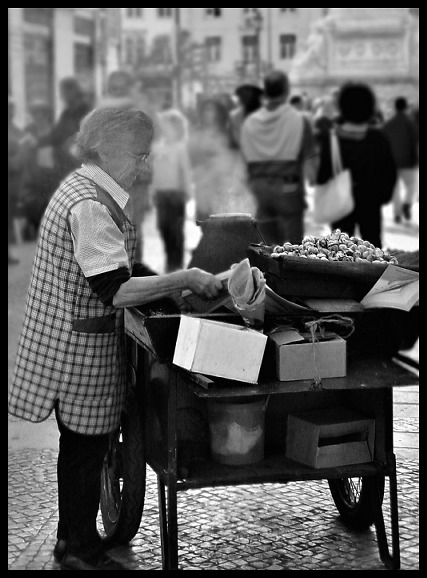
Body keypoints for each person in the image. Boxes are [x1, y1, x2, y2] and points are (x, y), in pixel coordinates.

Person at [8, 107, 223, 571]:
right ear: (105, 150)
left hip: (67, 340)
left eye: (147, 155)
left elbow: (117, 270)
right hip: (78, 351)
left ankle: (71, 541)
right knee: (86, 451)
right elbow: (115, 289)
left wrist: (170, 283)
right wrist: (182, 277)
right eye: (137, 155)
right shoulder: (90, 205)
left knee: (80, 449)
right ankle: (79, 551)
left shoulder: (82, 186)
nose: (144, 166)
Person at [240, 70, 318, 245]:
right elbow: (310, 158)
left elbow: (245, 159)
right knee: (292, 248)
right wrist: (313, 179)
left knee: (267, 244)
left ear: (265, 91)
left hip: (259, 187)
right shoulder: (298, 119)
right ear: (286, 90)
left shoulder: (250, 122)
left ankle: (266, 271)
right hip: (288, 188)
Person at [316, 82, 397, 248]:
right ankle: (374, 274)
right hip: (370, 200)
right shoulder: (377, 138)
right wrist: (383, 196)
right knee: (373, 246)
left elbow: (324, 174)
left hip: (340, 201)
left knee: (340, 248)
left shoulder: (332, 138)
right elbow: (389, 172)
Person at [98, 70, 155, 261]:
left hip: (136, 180)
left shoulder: (141, 110)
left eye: (121, 87)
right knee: (111, 226)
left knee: (132, 228)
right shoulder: (104, 111)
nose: (117, 91)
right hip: (111, 178)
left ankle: (134, 274)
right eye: (114, 88)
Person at [151, 108, 193, 272]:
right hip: (161, 194)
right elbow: (155, 172)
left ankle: (176, 263)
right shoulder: (158, 147)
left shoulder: (180, 148)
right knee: (163, 226)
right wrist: (153, 192)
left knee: (176, 229)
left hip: (176, 194)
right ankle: (170, 258)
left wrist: (187, 191)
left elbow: (186, 171)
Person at [36, 77, 92, 185]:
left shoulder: (86, 111)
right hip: (62, 163)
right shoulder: (66, 113)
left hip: (77, 163)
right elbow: (56, 134)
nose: (62, 96)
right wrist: (41, 140)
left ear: (73, 91)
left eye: (63, 92)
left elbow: (82, 137)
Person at [382, 97, 419, 223]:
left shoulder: (388, 124)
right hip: (409, 161)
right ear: (406, 107)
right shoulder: (411, 123)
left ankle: (397, 213)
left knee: (395, 188)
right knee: (411, 185)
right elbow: (416, 141)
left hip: (391, 161)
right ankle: (407, 204)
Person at [229, 84, 263, 149]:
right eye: (243, 96)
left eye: (249, 96)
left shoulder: (268, 115)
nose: (245, 99)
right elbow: (232, 141)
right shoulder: (234, 116)